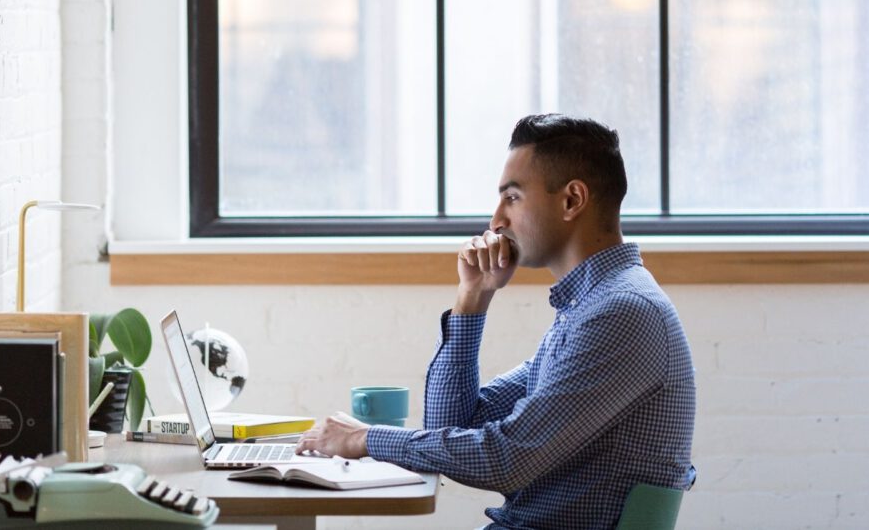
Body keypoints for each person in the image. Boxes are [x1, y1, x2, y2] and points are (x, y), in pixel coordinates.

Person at [297, 114, 696, 529]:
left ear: (572, 200)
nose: (496, 221)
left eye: (513, 197)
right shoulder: (587, 308)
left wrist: (365, 439)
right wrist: (473, 297)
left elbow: (507, 459)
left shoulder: (621, 313)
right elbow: (451, 426)